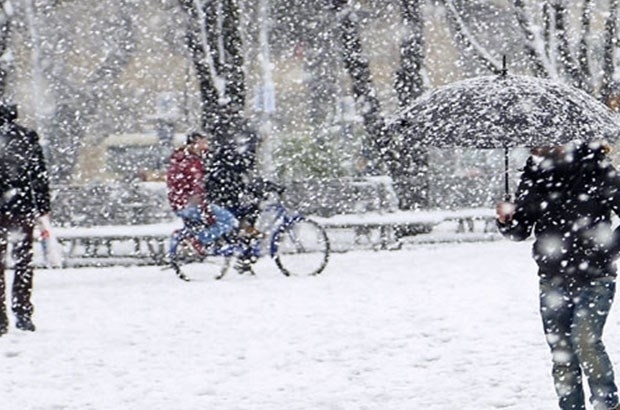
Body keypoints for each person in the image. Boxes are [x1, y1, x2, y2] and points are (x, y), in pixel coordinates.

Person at [496, 141, 620, 410]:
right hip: (552, 278)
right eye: (532, 144)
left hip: (596, 276)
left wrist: (609, 248)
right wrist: (507, 220)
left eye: (541, 142)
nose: (534, 149)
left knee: (585, 342)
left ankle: (607, 405)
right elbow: (520, 231)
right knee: (561, 354)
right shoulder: (534, 174)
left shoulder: (596, 167)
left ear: (561, 139)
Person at [0, 103, 51, 335]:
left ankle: (1, 316)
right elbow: (39, 175)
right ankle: (22, 310)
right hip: (22, 207)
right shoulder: (26, 138)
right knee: (23, 261)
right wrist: (42, 206)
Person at [166, 131, 237, 250]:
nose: (206, 146)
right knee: (228, 220)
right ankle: (199, 239)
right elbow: (197, 190)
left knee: (220, 217)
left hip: (180, 203)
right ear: (194, 144)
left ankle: (201, 240)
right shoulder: (191, 163)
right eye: (203, 143)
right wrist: (206, 211)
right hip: (188, 205)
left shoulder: (181, 159)